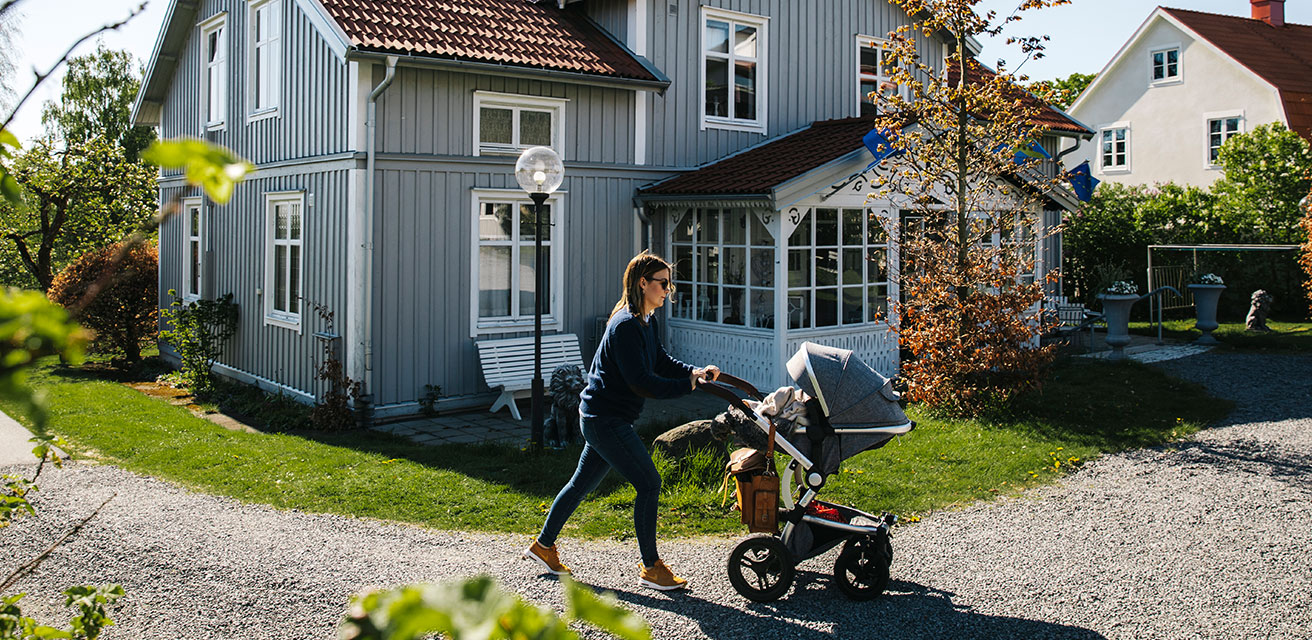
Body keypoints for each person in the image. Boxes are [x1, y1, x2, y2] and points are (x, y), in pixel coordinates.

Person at [524, 250, 719, 591]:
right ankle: (651, 567)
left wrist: (693, 372)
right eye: (662, 283)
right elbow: (642, 382)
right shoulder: (626, 325)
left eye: (668, 283)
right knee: (649, 482)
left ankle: (543, 546)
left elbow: (659, 359)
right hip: (605, 419)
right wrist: (687, 385)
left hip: (605, 418)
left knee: (580, 485)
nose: (667, 289)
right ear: (643, 283)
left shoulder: (645, 321)